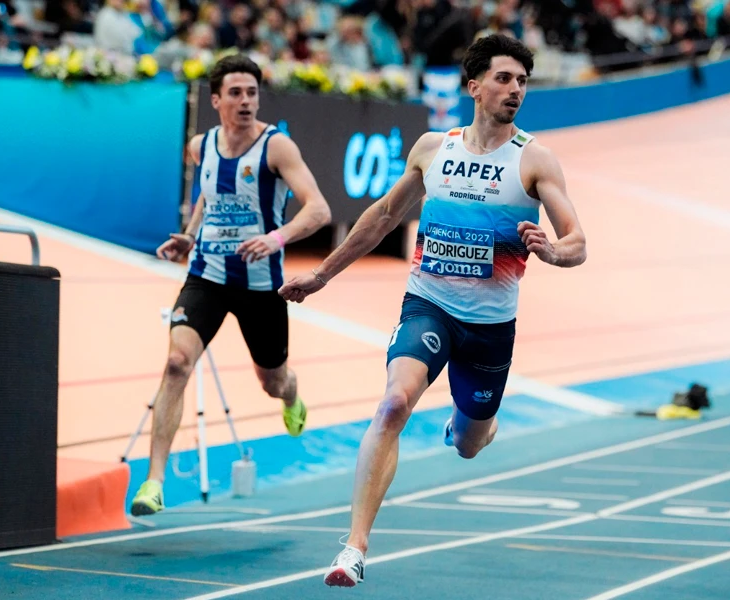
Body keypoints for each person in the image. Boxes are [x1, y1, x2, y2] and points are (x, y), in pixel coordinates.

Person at [277, 34, 587, 587]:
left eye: (522, 81)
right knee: (393, 404)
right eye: (503, 78)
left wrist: (551, 250)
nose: (515, 90)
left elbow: (577, 242)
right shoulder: (432, 149)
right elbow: (381, 217)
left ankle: (471, 424)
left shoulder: (534, 159)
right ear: (474, 87)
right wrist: (321, 276)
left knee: (469, 444)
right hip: (430, 305)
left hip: (490, 327)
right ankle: (354, 548)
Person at [130, 54, 332, 516]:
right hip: (207, 275)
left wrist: (275, 238)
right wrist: (190, 234)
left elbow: (318, 209)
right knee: (177, 364)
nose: (245, 101)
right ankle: (154, 482)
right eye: (235, 93)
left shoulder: (276, 147)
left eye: (252, 93)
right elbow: (208, 191)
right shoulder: (200, 146)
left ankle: (292, 394)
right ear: (216, 100)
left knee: (272, 381)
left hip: (260, 287)